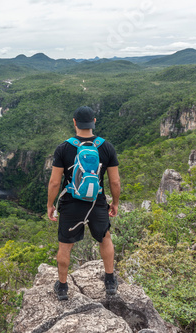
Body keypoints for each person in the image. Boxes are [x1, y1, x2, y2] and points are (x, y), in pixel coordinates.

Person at [47, 106, 121, 301]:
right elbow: (115, 181)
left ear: (74, 123)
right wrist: (115, 202)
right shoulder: (106, 147)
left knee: (65, 246)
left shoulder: (64, 148)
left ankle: (62, 288)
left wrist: (50, 205)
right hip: (97, 202)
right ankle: (110, 281)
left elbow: (55, 182)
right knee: (105, 238)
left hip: (71, 204)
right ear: (94, 122)